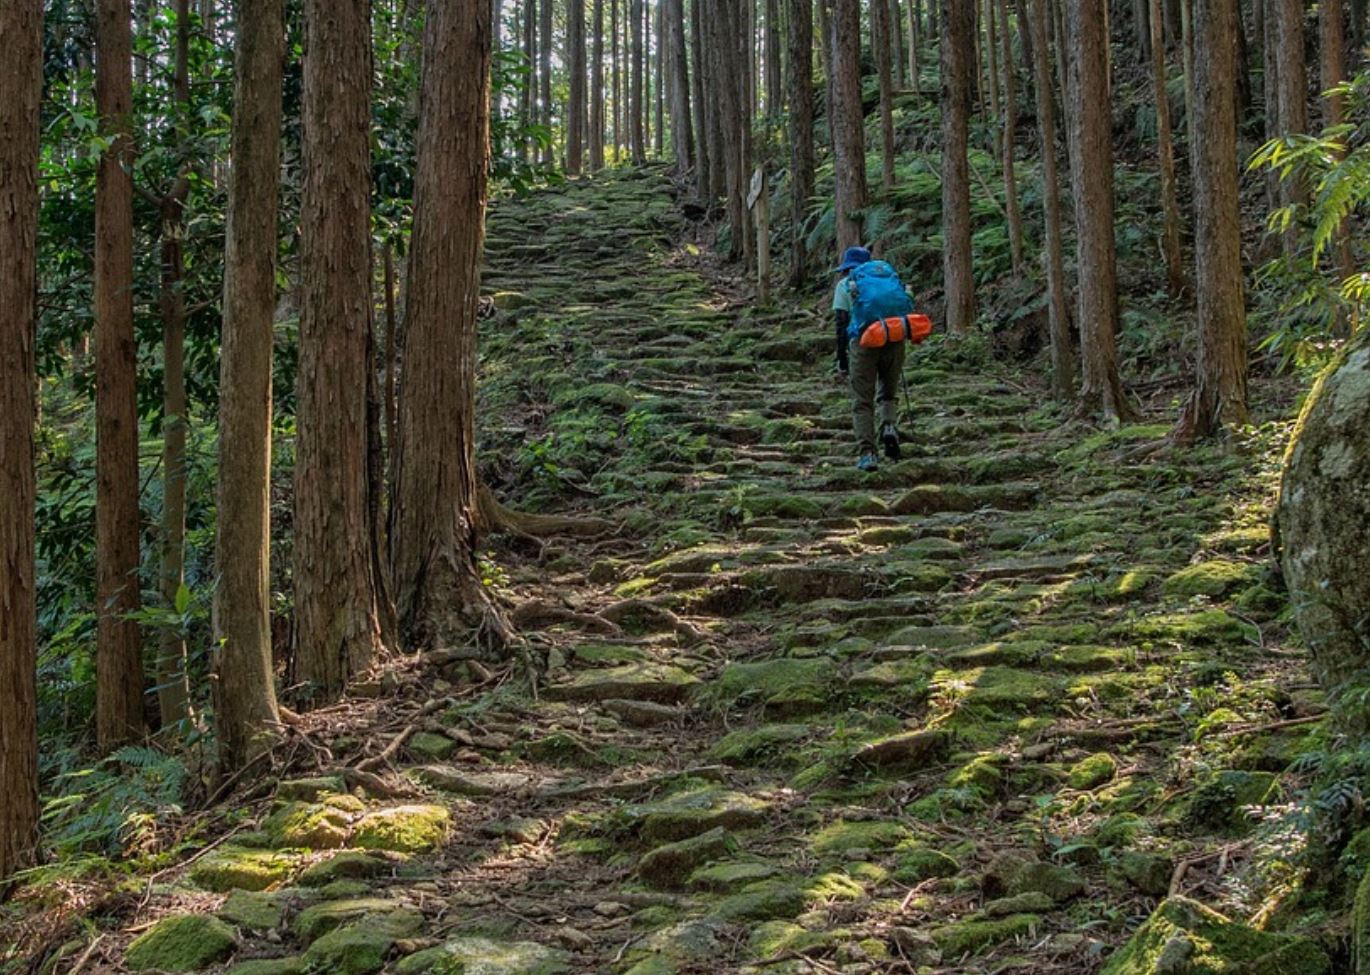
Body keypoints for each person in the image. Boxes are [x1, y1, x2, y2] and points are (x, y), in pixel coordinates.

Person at [832, 245, 907, 472]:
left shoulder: (845, 285)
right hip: (894, 338)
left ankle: (867, 453)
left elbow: (841, 324)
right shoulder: (887, 279)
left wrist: (842, 359)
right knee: (888, 393)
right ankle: (889, 427)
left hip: (864, 344)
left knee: (862, 401)